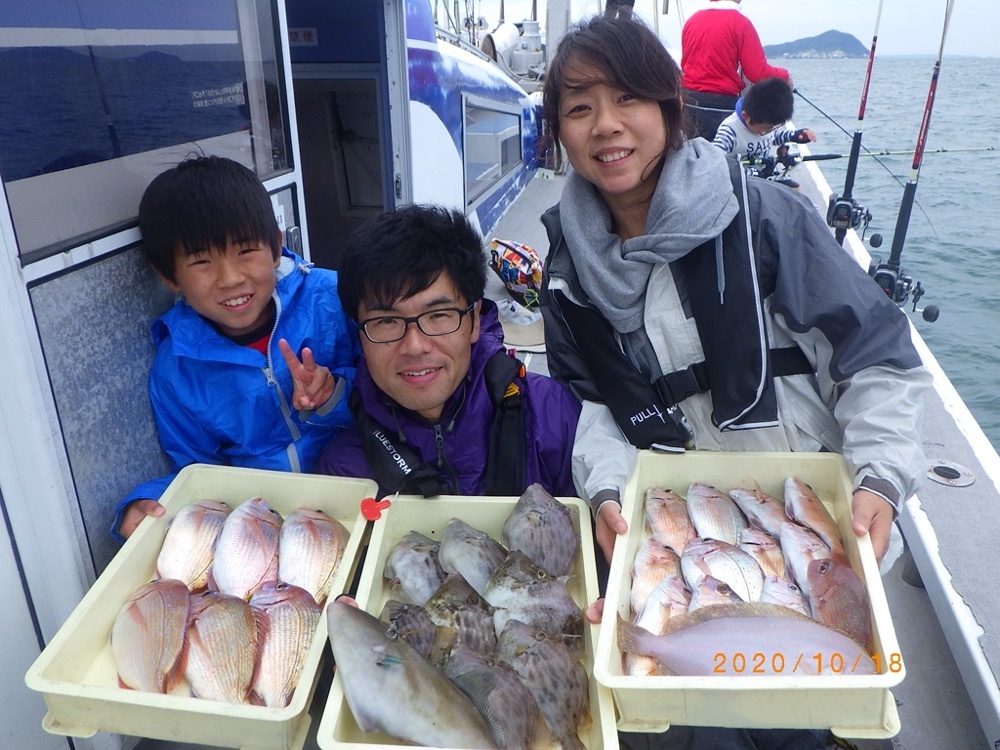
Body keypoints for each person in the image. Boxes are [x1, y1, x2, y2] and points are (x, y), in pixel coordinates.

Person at [538, 11, 930, 747]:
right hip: (679, 529)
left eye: (628, 98)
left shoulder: (766, 217)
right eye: (579, 107)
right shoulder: (566, 270)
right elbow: (594, 405)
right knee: (693, 721)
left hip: (804, 519)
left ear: (669, 108)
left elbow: (877, 354)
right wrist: (607, 493)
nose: (606, 125)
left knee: (809, 718)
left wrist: (879, 479)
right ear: (558, 131)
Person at [110, 155, 358, 542]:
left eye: (245, 251)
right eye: (201, 261)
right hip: (265, 524)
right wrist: (148, 502)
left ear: (275, 248)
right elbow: (198, 474)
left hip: (362, 490)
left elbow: (394, 396)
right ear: (168, 275)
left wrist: (335, 395)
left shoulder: (335, 298)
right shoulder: (175, 370)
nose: (229, 278)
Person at [317, 204, 580, 499]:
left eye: (439, 315)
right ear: (360, 336)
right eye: (386, 321)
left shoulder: (554, 416)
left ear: (474, 320)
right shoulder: (344, 474)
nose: (415, 346)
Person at [680, 0, 791, 140]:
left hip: (688, 102)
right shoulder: (740, 23)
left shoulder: (692, 21)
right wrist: (785, 76)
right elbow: (757, 72)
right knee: (721, 151)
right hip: (720, 106)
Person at [712, 76, 817, 162]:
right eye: (766, 129)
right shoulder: (730, 131)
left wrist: (795, 135)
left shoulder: (766, 125)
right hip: (741, 179)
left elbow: (774, 136)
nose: (769, 131)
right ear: (746, 117)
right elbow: (714, 160)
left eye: (774, 127)